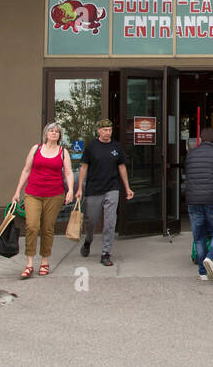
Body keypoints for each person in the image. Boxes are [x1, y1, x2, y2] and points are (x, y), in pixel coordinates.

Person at [11, 121, 74, 279]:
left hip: (54, 195)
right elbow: (26, 170)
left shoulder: (63, 152)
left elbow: (68, 172)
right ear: (46, 133)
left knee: (47, 228)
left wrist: (71, 190)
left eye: (57, 132)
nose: (54, 133)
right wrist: (17, 191)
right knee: (32, 226)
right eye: (51, 131)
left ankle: (45, 260)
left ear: (59, 136)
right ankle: (29, 263)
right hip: (33, 193)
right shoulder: (36, 149)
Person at [75, 118, 134, 267]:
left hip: (112, 188)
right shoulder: (91, 147)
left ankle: (105, 253)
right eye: (105, 130)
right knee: (92, 221)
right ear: (99, 131)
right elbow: (83, 168)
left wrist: (127, 187)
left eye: (110, 130)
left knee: (110, 222)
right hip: (94, 189)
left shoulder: (116, 147)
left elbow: (122, 167)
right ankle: (88, 240)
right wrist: (80, 188)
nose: (108, 132)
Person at [184, 127, 213, 280]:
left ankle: (202, 273)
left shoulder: (191, 155)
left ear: (200, 140)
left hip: (193, 200)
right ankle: (210, 258)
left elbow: (188, 174)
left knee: (199, 237)